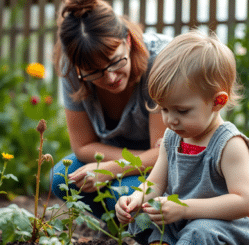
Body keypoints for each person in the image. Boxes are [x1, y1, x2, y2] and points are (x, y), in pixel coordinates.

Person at [115, 30, 249, 245]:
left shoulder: (230, 145)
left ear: (218, 101)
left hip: (223, 225)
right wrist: (134, 200)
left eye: (182, 111)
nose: (170, 120)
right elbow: (155, 183)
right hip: (183, 219)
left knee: (200, 231)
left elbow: (245, 203)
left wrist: (184, 208)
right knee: (142, 217)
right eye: (164, 109)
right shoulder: (172, 137)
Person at [51, 0, 171, 221]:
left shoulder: (160, 61)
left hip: (170, 166)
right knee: (62, 178)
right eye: (93, 72)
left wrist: (112, 168)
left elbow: (165, 154)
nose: (110, 78)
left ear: (128, 40)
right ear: (77, 66)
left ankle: (156, 238)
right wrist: (124, 164)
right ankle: (117, 226)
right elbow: (83, 146)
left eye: (115, 62)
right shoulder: (72, 70)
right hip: (128, 156)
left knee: (121, 193)